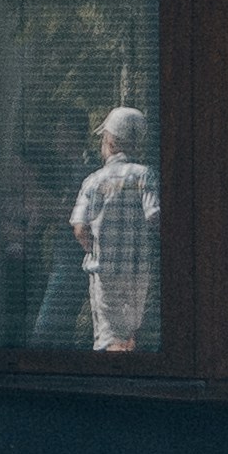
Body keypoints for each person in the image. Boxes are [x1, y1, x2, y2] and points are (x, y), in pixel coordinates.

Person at [70, 109, 160, 353]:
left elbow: (79, 228)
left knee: (108, 334)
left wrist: (93, 248)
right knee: (131, 331)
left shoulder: (94, 181)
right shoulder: (145, 175)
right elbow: (154, 217)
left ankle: (111, 378)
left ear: (109, 142)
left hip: (106, 270)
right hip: (138, 270)